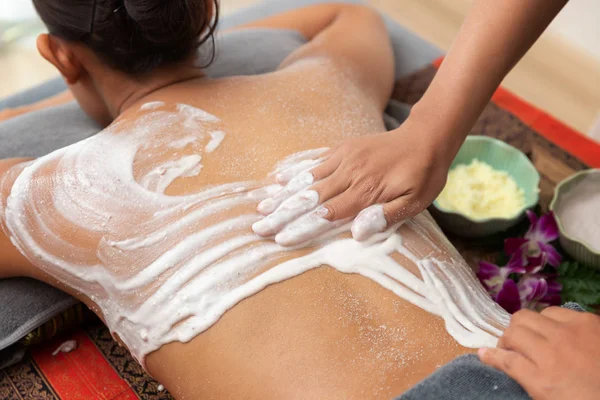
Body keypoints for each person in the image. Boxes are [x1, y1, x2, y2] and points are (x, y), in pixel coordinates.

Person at [0, 1, 511, 399]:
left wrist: (37, 105)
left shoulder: (58, 194)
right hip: (533, 374)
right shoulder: (326, 80)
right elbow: (349, 14)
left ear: (59, 55)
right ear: (202, 13)